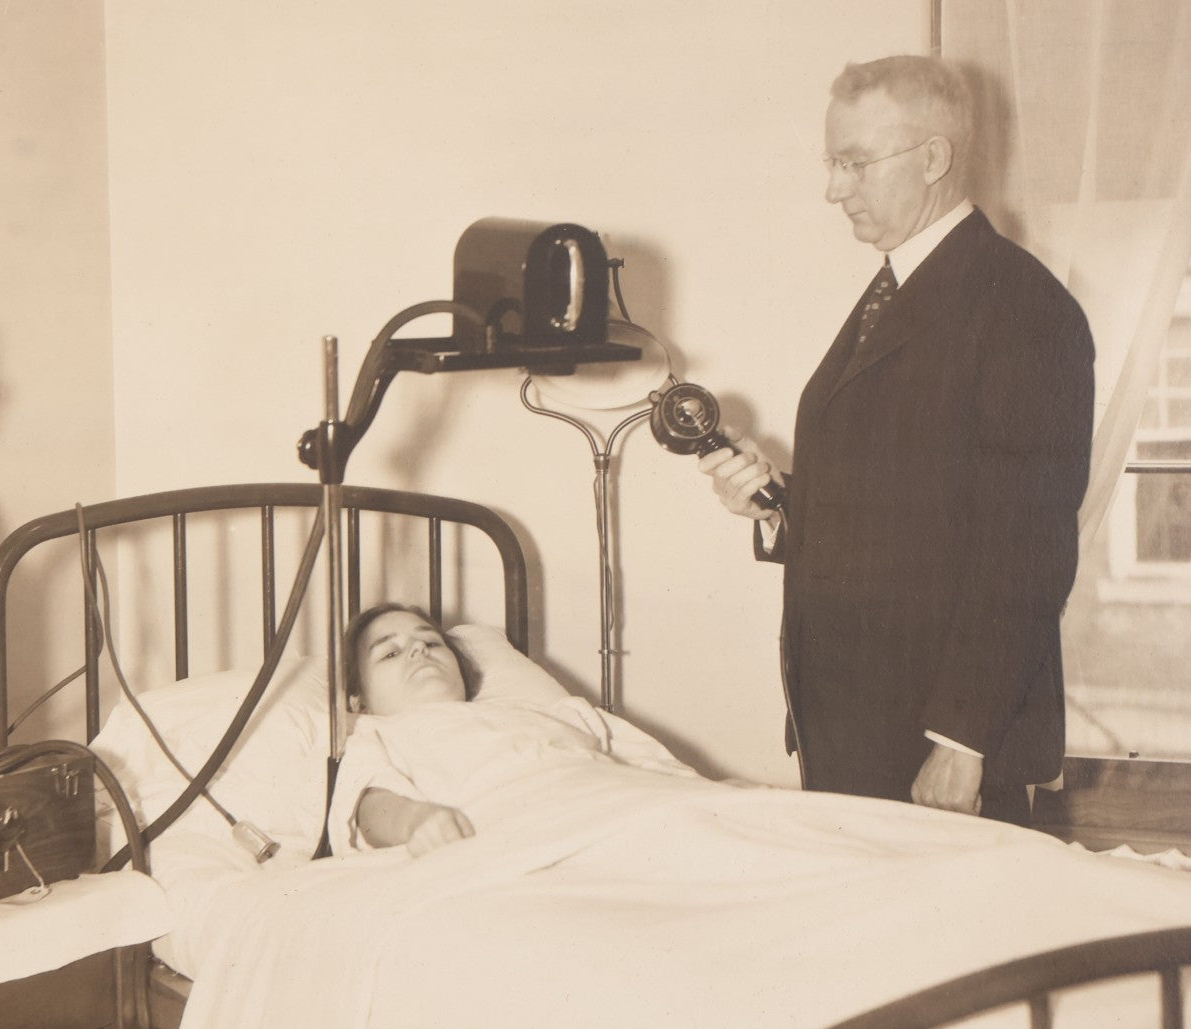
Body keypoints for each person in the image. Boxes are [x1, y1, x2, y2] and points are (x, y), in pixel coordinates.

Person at [698, 55, 1095, 825]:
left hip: (938, 743)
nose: (833, 188)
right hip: (854, 723)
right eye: (831, 162)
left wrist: (963, 740)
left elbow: (1027, 544)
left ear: (934, 158)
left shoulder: (1022, 307)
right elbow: (905, 499)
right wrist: (780, 508)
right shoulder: (900, 287)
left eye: (854, 163)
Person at [333, 603, 699, 855]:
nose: (418, 651)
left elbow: (647, 761)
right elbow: (370, 807)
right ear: (358, 701)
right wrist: (415, 821)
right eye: (390, 653)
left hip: (621, 804)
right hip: (522, 830)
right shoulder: (379, 734)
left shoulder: (544, 711)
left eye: (430, 642)